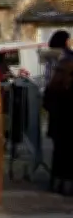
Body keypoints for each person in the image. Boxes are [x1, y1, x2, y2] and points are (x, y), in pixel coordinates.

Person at [43, 58, 73, 196]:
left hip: (56, 127)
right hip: (68, 127)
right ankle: (66, 184)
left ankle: (55, 183)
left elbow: (46, 105)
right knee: (68, 156)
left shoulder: (52, 87)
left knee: (58, 155)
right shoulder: (68, 88)